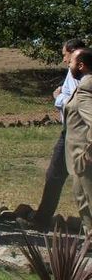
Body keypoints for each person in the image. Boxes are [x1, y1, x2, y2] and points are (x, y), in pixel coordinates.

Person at [21, 39, 87, 231]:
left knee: (82, 182)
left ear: (75, 55)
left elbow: (73, 101)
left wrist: (58, 97)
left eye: (65, 55)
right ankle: (41, 220)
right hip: (67, 132)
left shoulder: (85, 76)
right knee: (54, 175)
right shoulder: (72, 71)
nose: (64, 60)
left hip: (82, 133)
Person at [64, 48, 92, 232]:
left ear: (81, 65)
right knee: (82, 197)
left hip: (84, 156)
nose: (68, 64)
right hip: (80, 158)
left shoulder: (85, 88)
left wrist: (88, 154)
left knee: (87, 199)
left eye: (71, 62)